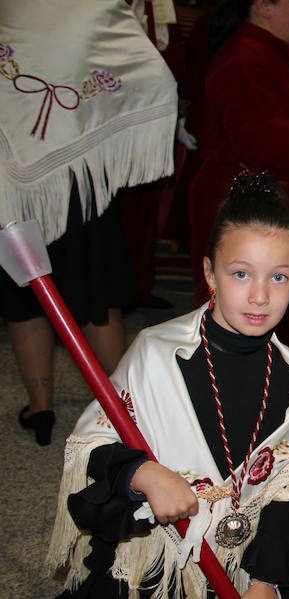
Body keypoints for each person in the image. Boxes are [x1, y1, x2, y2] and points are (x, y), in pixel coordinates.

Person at [47, 172, 289, 599]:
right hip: (155, 550)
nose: (260, 296)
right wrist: (143, 472)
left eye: (279, 277)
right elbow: (91, 442)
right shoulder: (158, 352)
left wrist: (265, 580)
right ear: (210, 272)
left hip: (242, 560)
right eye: (241, 274)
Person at [1, 0, 177, 446]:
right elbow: (150, 74)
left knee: (25, 296)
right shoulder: (94, 5)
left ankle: (41, 410)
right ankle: (123, 412)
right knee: (94, 296)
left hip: (12, 181)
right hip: (79, 180)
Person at [189, 0, 289, 358]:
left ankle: (273, 399)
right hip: (253, 215)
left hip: (278, 206)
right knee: (247, 316)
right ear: (265, 6)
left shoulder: (271, 51)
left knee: (278, 319)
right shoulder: (244, 56)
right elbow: (258, 138)